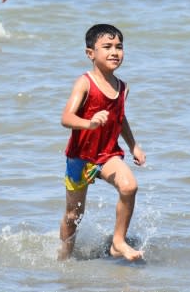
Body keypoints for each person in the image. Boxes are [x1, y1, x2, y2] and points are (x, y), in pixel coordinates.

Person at [59, 23, 146, 262]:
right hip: (80, 158)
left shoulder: (123, 87)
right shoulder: (85, 83)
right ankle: (63, 259)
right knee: (73, 215)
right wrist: (89, 123)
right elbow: (66, 118)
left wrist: (133, 145)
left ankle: (118, 242)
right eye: (107, 47)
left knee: (129, 187)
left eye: (119, 46)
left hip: (107, 155)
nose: (114, 52)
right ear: (91, 54)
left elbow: (121, 118)